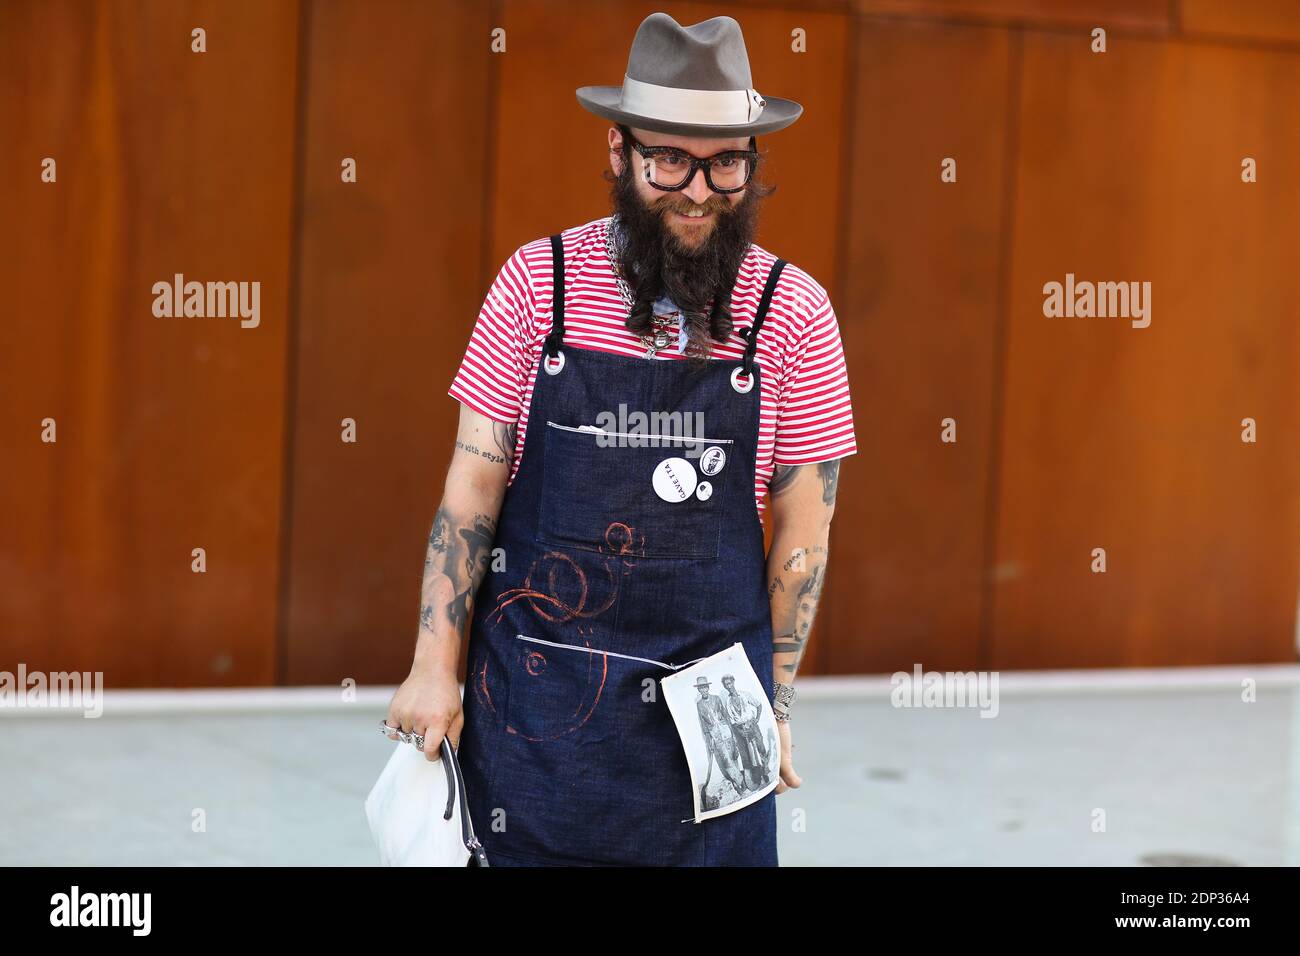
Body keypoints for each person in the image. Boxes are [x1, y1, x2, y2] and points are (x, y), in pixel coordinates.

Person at [384, 11, 855, 866]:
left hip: (720, 716)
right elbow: (471, 494)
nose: (699, 192)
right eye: (669, 158)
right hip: (537, 710)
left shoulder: (793, 313)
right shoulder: (538, 288)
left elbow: (804, 535)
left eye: (726, 164)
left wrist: (776, 707)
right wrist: (432, 664)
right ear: (618, 151)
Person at [696, 676, 747, 798]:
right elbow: (703, 724)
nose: (703, 690)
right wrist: (709, 741)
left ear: (708, 687)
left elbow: (726, 716)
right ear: (699, 690)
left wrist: (733, 734)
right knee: (726, 761)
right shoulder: (699, 705)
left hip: (726, 732)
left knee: (733, 757)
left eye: (705, 687)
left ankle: (738, 785)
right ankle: (741, 782)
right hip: (715, 736)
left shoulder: (716, 699)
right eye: (701, 688)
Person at [722, 673, 770, 788]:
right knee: (749, 754)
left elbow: (759, 705)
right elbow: (732, 720)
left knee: (760, 747)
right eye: (726, 685)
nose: (728, 686)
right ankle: (757, 777)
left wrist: (757, 719)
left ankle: (765, 770)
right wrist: (740, 731)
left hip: (752, 725)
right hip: (741, 728)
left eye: (729, 683)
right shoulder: (728, 702)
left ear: (733, 682)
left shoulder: (745, 694)